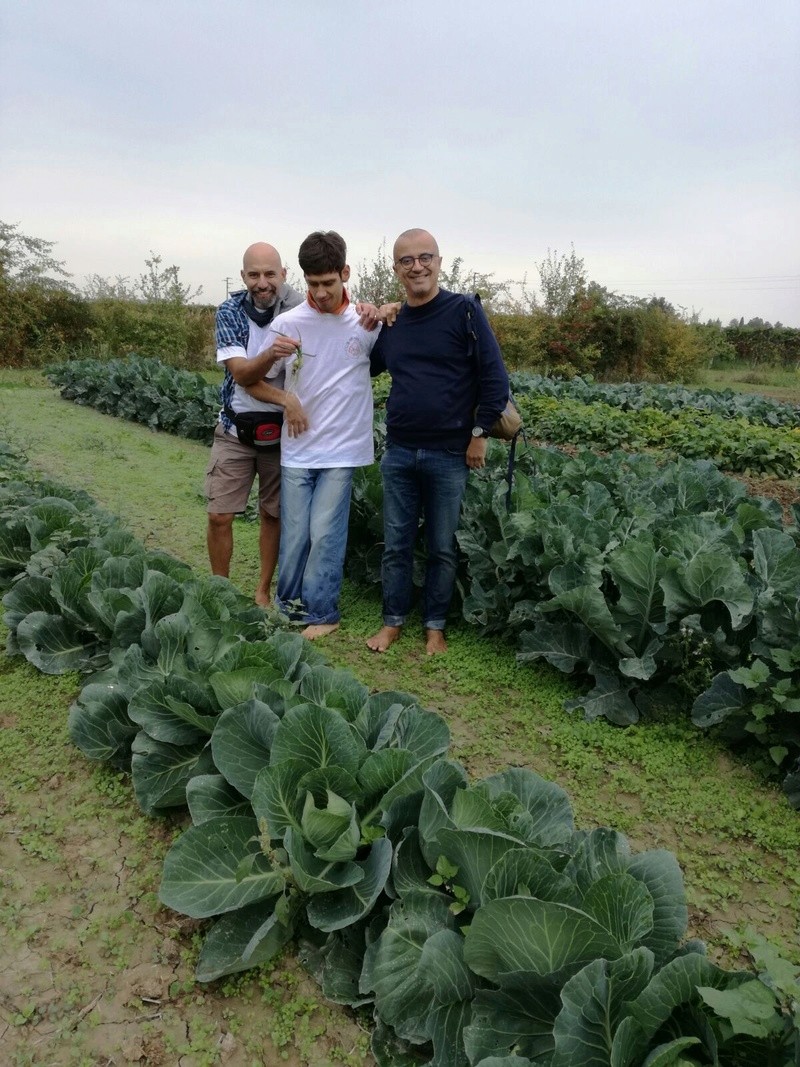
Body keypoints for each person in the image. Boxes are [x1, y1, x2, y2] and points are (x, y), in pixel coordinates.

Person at [366, 228, 510, 655]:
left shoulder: (464, 310)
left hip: (450, 452)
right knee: (396, 544)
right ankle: (392, 623)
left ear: (439, 261)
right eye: (406, 261)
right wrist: (373, 317)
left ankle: (434, 627)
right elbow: (370, 365)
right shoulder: (395, 323)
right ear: (396, 269)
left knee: (442, 547)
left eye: (424, 257)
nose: (417, 267)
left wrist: (480, 434)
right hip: (399, 450)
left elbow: (494, 377)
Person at [260, 230, 383, 639]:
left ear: (345, 273)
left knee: (326, 533)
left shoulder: (365, 323)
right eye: (312, 284)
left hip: (342, 450)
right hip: (297, 448)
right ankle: (287, 606)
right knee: (295, 534)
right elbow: (257, 382)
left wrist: (389, 309)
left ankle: (322, 612)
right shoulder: (287, 323)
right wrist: (286, 401)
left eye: (328, 283)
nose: (321, 293)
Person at [205, 242, 303, 605]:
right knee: (219, 515)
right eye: (254, 275)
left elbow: (342, 309)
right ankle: (221, 591)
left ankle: (262, 590)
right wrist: (274, 366)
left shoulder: (300, 309)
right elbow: (243, 374)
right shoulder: (229, 311)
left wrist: (377, 309)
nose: (262, 283)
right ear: (244, 276)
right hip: (234, 428)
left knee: (272, 514)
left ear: (283, 274)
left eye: (270, 274)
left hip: (283, 434)